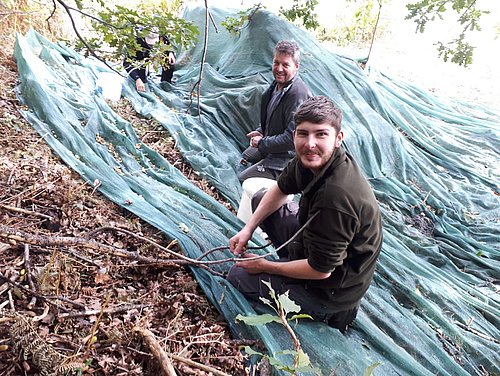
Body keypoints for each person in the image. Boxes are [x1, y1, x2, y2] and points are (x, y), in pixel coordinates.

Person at [228, 96, 383, 332]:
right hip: (316, 244)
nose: (310, 143)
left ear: (338, 138)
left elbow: (321, 271)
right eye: (303, 133)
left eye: (321, 134)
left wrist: (266, 265)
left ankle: (325, 310)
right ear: (294, 135)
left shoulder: (337, 197)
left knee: (238, 275)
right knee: (261, 197)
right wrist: (248, 229)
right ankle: (291, 263)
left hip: (329, 289)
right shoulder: (311, 159)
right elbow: (280, 188)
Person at [238, 40, 312, 183]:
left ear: (296, 67)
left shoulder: (297, 95)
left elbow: (291, 139)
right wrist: (261, 130)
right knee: (245, 158)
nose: (279, 69)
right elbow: (273, 117)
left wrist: (262, 142)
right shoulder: (277, 86)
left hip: (288, 156)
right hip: (272, 144)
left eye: (285, 65)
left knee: (244, 179)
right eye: (276, 63)